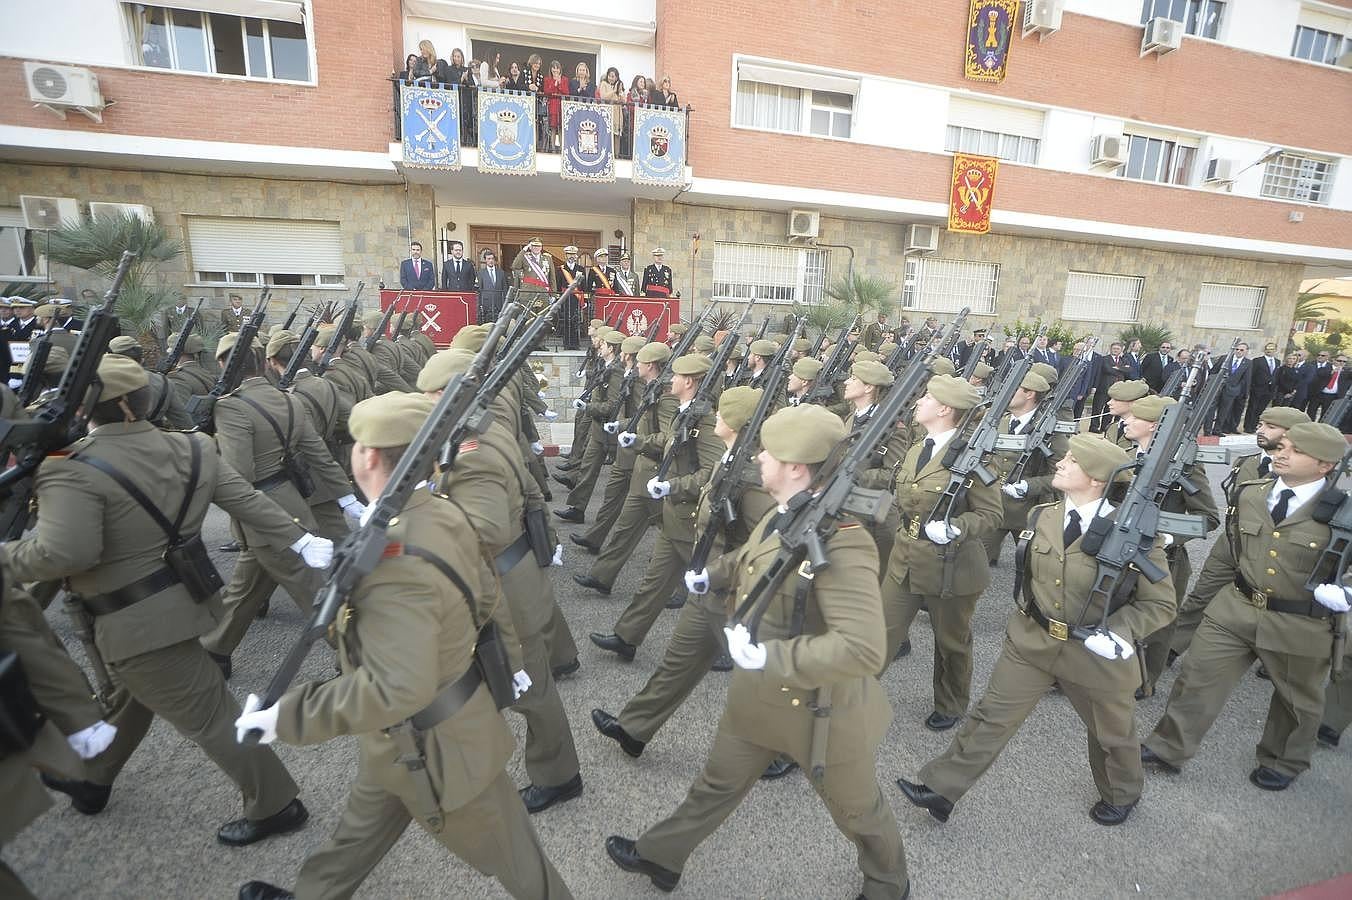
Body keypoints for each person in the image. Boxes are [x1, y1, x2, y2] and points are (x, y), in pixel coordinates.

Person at [234, 391, 574, 900]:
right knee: (358, 831)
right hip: (400, 734)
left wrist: (286, 716)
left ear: (368, 456)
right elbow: (485, 596)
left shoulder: (396, 559)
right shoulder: (439, 510)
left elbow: (397, 686)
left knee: (525, 871)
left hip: (440, 745)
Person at [1, 354, 321, 844]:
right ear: (142, 401)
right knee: (134, 698)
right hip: (182, 600)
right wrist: (300, 538)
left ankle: (278, 803)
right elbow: (249, 500)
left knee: (214, 716)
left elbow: (61, 554)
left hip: (131, 622)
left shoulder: (73, 469)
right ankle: (93, 779)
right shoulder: (193, 448)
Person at [603, 403, 910, 900]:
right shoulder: (783, 512)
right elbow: (751, 559)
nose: (759, 457)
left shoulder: (845, 543)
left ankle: (888, 882)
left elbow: (863, 648)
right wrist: (714, 575)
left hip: (821, 713)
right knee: (717, 782)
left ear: (796, 467)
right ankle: (663, 856)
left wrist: (771, 658)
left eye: (769, 451)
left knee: (858, 811)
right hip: (760, 697)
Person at [898, 435, 1175, 828]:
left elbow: (1161, 604)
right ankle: (942, 789)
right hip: (1033, 639)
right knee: (991, 716)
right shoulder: (1041, 515)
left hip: (1095, 651)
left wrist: (1120, 631)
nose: (1061, 462)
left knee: (1111, 735)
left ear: (1096, 479)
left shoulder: (1134, 535)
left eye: (1073, 461)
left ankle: (1122, 793)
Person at [1142, 422, 1350, 792]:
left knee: (1295, 701)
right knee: (1197, 678)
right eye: (1283, 445)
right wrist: (1206, 598)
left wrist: (1346, 592)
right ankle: (1168, 746)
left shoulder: (1344, 514)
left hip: (1300, 621)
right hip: (1236, 608)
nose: (1282, 453)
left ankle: (1282, 759)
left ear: (1326, 465)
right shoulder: (1252, 493)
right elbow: (1231, 549)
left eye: (1297, 451)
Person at [591, 387, 776, 754]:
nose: (715, 417)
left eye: (723, 412)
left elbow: (765, 548)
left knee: (763, 676)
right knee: (677, 663)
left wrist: (719, 575)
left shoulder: (753, 478)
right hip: (707, 589)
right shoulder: (730, 458)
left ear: (736, 422)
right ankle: (634, 729)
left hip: (734, 596)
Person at [200, 332, 356, 675]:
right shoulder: (287, 399)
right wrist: (346, 496)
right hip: (289, 504)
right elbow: (319, 454)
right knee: (246, 588)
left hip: (265, 514)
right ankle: (215, 649)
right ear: (259, 363)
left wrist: (205, 448)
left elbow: (238, 474)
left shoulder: (231, 407)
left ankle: (357, 654)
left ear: (225, 365)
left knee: (313, 592)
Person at [880, 375, 1001, 731]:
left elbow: (991, 514)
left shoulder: (975, 458)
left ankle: (951, 702)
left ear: (945, 409)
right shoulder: (919, 446)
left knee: (952, 642)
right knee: (878, 635)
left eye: (927, 397)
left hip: (952, 566)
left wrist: (956, 528)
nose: (919, 401)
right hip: (904, 559)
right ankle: (841, 705)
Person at [589, 352, 723, 662]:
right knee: (654, 583)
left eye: (676, 376)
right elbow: (668, 443)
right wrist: (637, 440)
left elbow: (713, 472)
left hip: (690, 519)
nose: (670, 380)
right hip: (673, 514)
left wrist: (673, 486)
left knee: (713, 588)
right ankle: (627, 637)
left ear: (688, 381)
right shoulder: (683, 414)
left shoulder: (704, 421)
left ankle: (732, 649)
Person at [1169, 406, 1311, 664]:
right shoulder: (1246, 462)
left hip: (1276, 549)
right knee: (1202, 594)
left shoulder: (1304, 472)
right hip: (1232, 543)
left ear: (1292, 434)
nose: (1260, 430)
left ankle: (1277, 658)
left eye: (1270, 427)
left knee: (1279, 605)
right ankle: (1171, 647)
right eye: (1260, 424)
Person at [1120, 394, 1219, 695]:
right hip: (1121, 547)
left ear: (1152, 426)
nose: (1125, 420)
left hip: (1165, 559)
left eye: (1133, 417)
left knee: (1158, 622)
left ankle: (1145, 679)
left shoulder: (1186, 467)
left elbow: (1207, 517)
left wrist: (1168, 538)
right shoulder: (1124, 455)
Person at [573, 341, 674, 596]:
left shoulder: (667, 396)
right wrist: (621, 426)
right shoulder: (653, 387)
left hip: (657, 475)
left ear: (650, 365)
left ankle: (684, 587)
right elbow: (640, 417)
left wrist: (637, 440)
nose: (636, 364)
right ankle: (602, 577)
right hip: (643, 470)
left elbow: (667, 438)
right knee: (624, 529)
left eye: (641, 361)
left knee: (675, 535)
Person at [1209, 342, 1251, 435]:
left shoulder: (1248, 362)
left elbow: (1246, 379)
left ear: (1246, 351)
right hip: (1218, 389)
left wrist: (1243, 393)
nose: (1238, 351)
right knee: (1211, 409)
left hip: (1231, 391)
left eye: (1241, 350)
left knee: (1224, 412)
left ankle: (1217, 430)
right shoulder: (1225, 358)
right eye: (1237, 349)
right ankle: (1208, 430)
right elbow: (1213, 371)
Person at [1090, 342, 1130, 433]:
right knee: (1098, 408)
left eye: (1118, 349)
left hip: (1117, 390)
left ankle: (1105, 427)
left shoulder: (1124, 360)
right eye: (1114, 348)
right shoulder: (1104, 359)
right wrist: (1121, 369)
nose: (1116, 350)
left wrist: (1117, 368)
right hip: (1104, 388)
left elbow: (1129, 370)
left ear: (1121, 350)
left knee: (1110, 410)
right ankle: (1094, 427)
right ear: (1111, 349)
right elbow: (1107, 369)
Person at [1246, 340, 1281, 431]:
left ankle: (1255, 426)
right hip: (1257, 389)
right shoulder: (1257, 361)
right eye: (1267, 349)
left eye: (1272, 349)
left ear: (1275, 350)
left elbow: (1276, 376)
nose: (1269, 351)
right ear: (1264, 350)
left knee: (1261, 409)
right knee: (1252, 408)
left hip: (1269, 390)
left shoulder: (1277, 362)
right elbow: (1252, 375)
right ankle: (1248, 427)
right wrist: (1251, 388)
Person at [1308, 350, 1349, 422]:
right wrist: (1332, 372)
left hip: (1332, 396)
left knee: (1325, 414)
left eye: (1344, 361)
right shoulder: (1325, 367)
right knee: (1311, 411)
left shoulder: (1347, 372)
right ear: (1334, 360)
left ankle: (1320, 428)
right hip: (1318, 394)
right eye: (1339, 361)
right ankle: (1309, 426)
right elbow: (1320, 374)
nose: (1341, 363)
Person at [476, 247, 509, 321]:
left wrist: (505, 303)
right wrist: (480, 305)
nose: (491, 261)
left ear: (494, 260)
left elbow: (505, 289)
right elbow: (479, 290)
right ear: (485, 260)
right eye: (488, 259)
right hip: (486, 304)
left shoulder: (501, 273)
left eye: (492, 259)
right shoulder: (481, 273)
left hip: (499, 304)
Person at [598, 66, 625, 155]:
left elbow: (624, 101)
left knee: (616, 135)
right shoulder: (604, 84)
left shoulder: (619, 86)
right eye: (610, 76)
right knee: (607, 135)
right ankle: (606, 155)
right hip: (607, 112)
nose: (611, 78)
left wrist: (620, 92)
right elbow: (603, 97)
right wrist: (614, 90)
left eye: (613, 76)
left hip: (617, 113)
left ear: (617, 77)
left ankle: (616, 155)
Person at [543, 60, 567, 148]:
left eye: (557, 68)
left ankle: (561, 148)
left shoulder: (564, 79)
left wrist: (559, 84)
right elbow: (547, 91)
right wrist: (555, 83)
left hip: (561, 105)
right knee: (553, 127)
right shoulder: (547, 79)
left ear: (560, 69)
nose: (555, 70)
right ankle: (553, 147)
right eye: (554, 68)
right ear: (551, 69)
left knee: (561, 127)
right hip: (552, 105)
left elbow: (566, 92)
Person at [525, 53, 547, 150]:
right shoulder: (525, 73)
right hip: (526, 103)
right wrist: (528, 87)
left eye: (538, 64)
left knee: (537, 123)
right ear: (531, 63)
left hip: (536, 103)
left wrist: (538, 89)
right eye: (535, 63)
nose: (537, 65)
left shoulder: (541, 76)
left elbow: (543, 90)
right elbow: (520, 86)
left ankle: (536, 144)